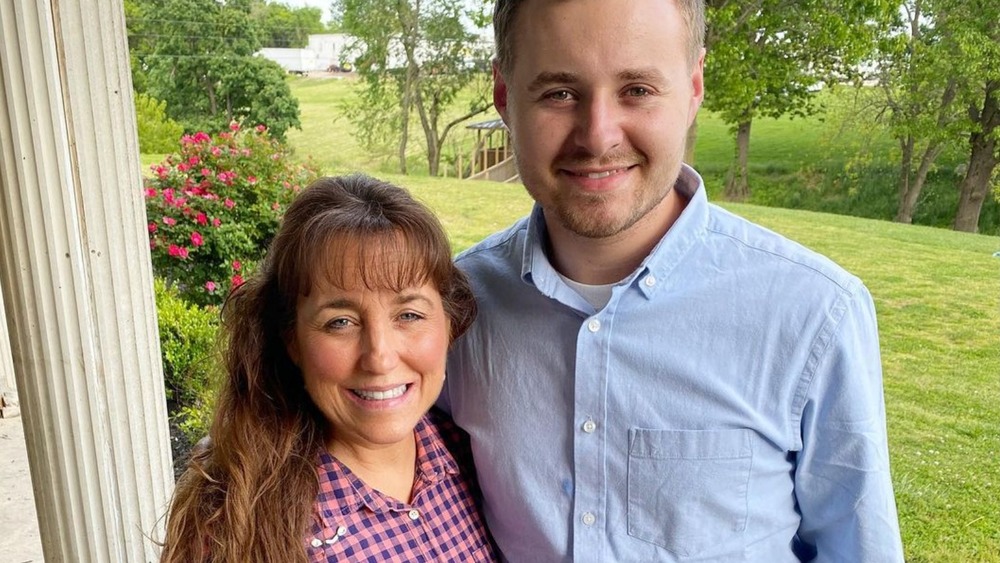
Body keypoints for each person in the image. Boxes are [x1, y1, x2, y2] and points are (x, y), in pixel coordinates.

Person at [441, 0, 905, 561]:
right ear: (503, 96)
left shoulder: (815, 314)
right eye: (559, 92)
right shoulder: (450, 309)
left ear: (693, 87)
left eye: (637, 89)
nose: (598, 135)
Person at [161, 174, 498, 563]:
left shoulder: (478, 458)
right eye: (341, 322)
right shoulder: (231, 523)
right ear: (292, 340)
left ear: (448, 323)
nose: (380, 357)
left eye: (409, 314)